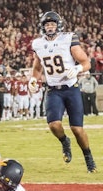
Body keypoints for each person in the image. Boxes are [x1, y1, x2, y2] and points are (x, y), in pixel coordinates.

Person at [29, 11, 97, 173]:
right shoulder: (38, 43)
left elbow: (86, 62)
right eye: (47, 24)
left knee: (77, 129)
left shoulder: (68, 38)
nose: (50, 27)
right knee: (54, 124)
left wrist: (78, 68)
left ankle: (88, 157)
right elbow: (38, 66)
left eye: (53, 24)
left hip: (71, 89)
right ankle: (64, 141)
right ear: (43, 27)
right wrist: (33, 79)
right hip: (53, 90)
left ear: (58, 25)